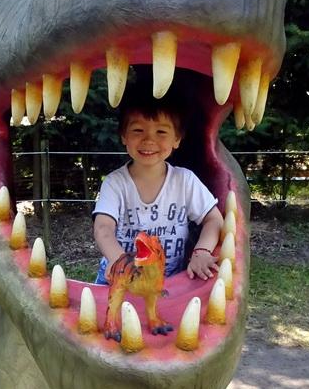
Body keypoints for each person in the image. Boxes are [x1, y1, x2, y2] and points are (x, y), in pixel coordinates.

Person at [93, 97, 223, 284]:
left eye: (161, 131)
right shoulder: (115, 183)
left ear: (177, 139)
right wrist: (119, 261)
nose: (149, 139)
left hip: (167, 284)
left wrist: (201, 251)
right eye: (138, 130)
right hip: (119, 279)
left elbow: (214, 219)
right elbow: (103, 227)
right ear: (123, 135)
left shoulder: (185, 181)